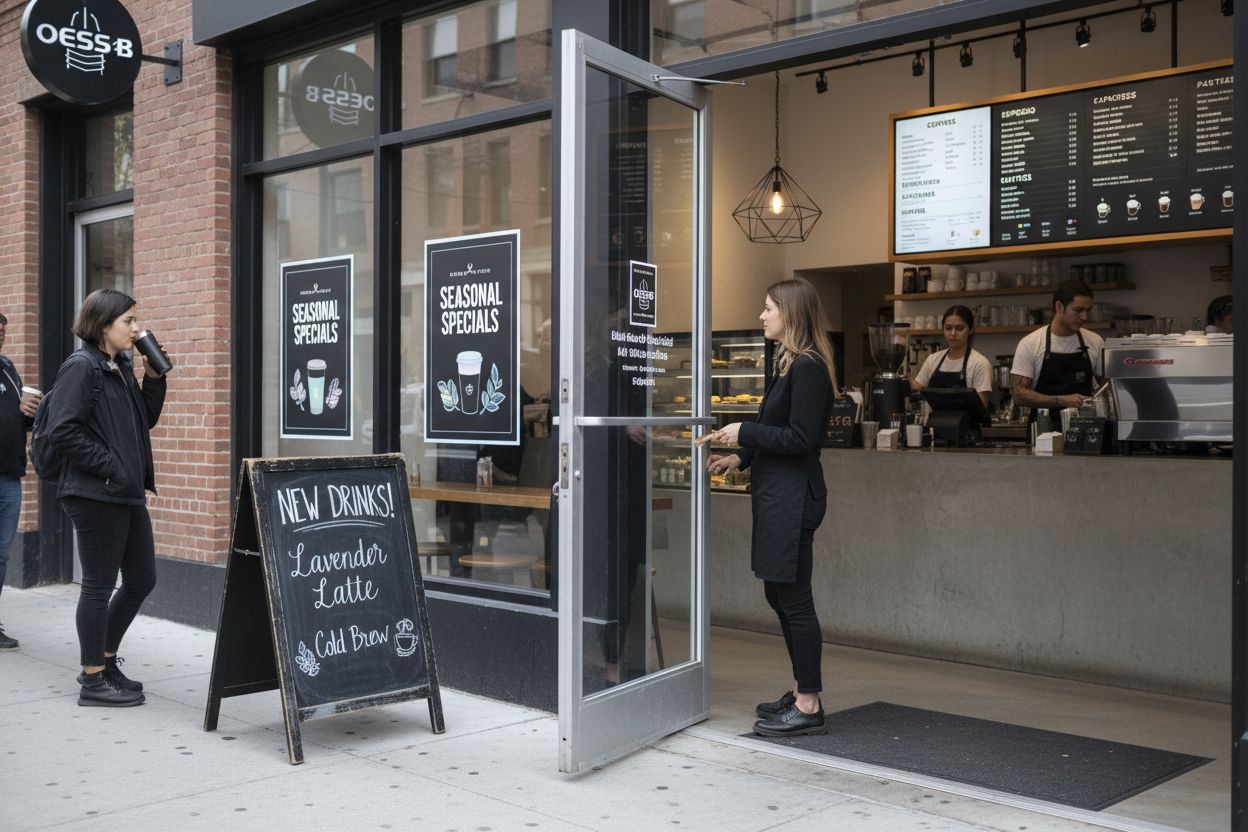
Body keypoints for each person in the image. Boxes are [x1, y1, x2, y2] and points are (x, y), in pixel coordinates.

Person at [705, 277, 836, 737]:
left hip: (794, 500)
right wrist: (739, 456)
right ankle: (802, 686)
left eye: (768, 309)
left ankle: (808, 702)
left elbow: (802, 439)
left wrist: (745, 431)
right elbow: (776, 431)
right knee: (777, 594)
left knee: (795, 600)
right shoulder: (788, 364)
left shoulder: (809, 368)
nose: (761, 316)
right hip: (778, 497)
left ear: (791, 314)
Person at [45, 289, 168, 707]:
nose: (136, 329)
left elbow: (142, 421)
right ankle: (92, 678)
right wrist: (111, 465)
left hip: (124, 492)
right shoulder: (82, 367)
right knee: (98, 585)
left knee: (141, 579)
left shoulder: (117, 366)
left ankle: (106, 657)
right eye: (129, 321)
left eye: (136, 321)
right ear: (103, 325)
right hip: (96, 493)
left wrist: (154, 379)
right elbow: (63, 430)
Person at [1010, 280, 1104, 423]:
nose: (1085, 317)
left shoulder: (1095, 341)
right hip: (1043, 431)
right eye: (1078, 310)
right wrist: (1061, 400)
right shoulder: (1031, 343)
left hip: (1085, 429)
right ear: (1059, 306)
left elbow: (1106, 389)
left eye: (1088, 311)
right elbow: (1019, 395)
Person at [0, 313, 39, 650]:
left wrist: (28, 414)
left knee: (1, 554)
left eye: (2, 332)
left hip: (10, 476)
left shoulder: (8, 368)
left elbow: (15, 419)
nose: (0, 336)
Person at [910, 305, 993, 408]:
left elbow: (981, 407)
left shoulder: (980, 363)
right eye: (948, 328)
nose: (953, 333)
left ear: (970, 330)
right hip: (934, 423)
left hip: (967, 424)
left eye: (959, 328)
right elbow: (917, 388)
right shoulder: (933, 359)